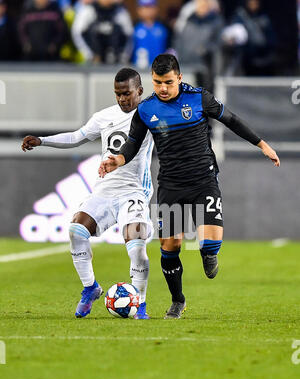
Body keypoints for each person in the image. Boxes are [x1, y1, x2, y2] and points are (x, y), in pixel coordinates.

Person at [99, 54, 280, 319]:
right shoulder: (146, 109)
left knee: (209, 244)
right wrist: (119, 159)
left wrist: (262, 144)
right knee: (170, 247)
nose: (162, 88)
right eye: (158, 82)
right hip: (171, 186)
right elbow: (132, 143)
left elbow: (231, 120)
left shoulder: (199, 98)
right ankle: (177, 300)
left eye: (168, 82)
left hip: (203, 181)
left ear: (180, 78)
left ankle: (209, 254)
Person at [21, 68, 154, 320]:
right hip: (104, 190)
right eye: (118, 94)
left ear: (139, 91)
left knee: (136, 248)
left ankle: (141, 304)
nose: (122, 99)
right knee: (76, 230)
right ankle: (90, 287)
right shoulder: (104, 117)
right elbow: (76, 136)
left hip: (134, 192)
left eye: (127, 94)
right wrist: (42, 140)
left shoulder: (150, 115)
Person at [173, 0, 223, 91]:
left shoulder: (216, 21)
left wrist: (206, 49)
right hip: (186, 66)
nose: (202, 5)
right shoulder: (189, 20)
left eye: (204, 3)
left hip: (206, 70)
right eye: (199, 3)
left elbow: (218, 44)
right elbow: (179, 41)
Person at [132, 0, 169, 70]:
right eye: (145, 7)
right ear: (138, 10)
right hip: (137, 69)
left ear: (157, 8)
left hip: (160, 70)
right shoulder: (133, 28)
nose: (148, 10)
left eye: (151, 6)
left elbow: (170, 49)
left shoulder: (164, 28)